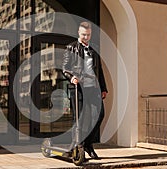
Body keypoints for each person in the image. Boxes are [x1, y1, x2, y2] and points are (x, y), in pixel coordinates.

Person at [62, 21, 108, 159]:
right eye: (83, 35)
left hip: (93, 88)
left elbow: (99, 70)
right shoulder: (71, 47)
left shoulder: (94, 49)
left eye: (88, 35)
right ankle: (78, 146)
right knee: (79, 119)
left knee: (99, 115)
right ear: (78, 33)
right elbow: (65, 68)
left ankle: (88, 144)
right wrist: (72, 77)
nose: (86, 37)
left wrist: (103, 88)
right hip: (78, 88)